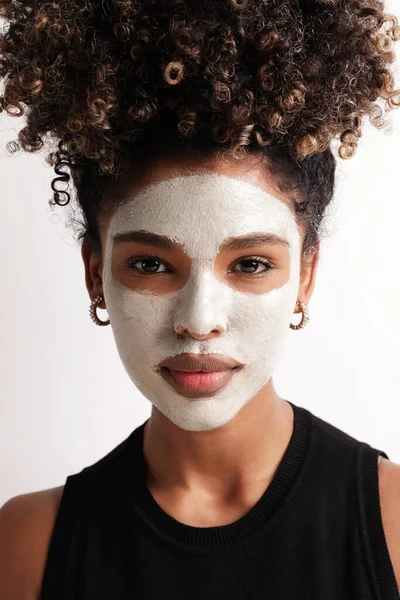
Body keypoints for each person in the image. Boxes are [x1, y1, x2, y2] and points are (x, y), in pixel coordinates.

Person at [0, 0, 400, 598]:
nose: (199, 321)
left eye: (251, 264)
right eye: (152, 265)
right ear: (95, 271)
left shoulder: (393, 526)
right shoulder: (26, 545)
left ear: (306, 276)